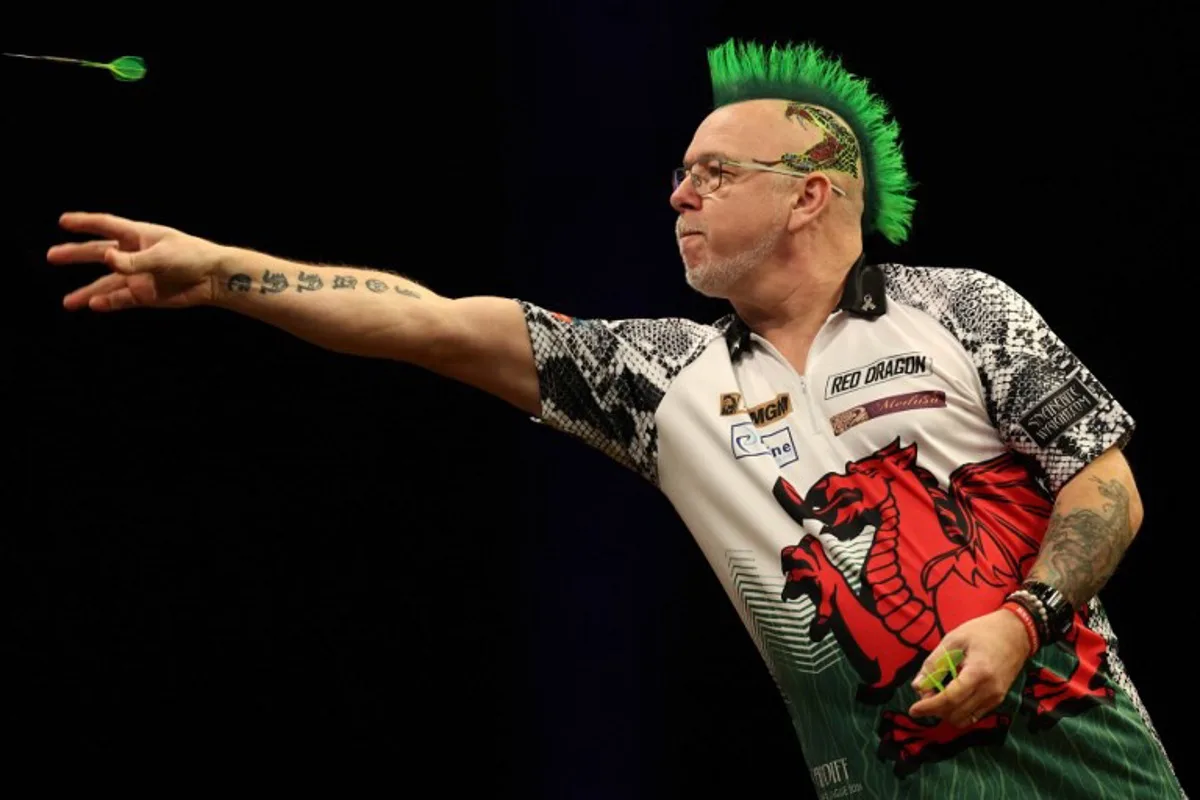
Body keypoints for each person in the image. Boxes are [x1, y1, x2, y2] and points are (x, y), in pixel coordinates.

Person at [46, 37, 1184, 798]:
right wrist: (227, 271)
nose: (676, 193)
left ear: (808, 192)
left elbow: (1108, 484)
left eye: (710, 171)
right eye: (678, 172)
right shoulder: (659, 375)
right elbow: (438, 322)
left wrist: (1024, 618)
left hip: (1093, 765)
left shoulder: (961, 306)